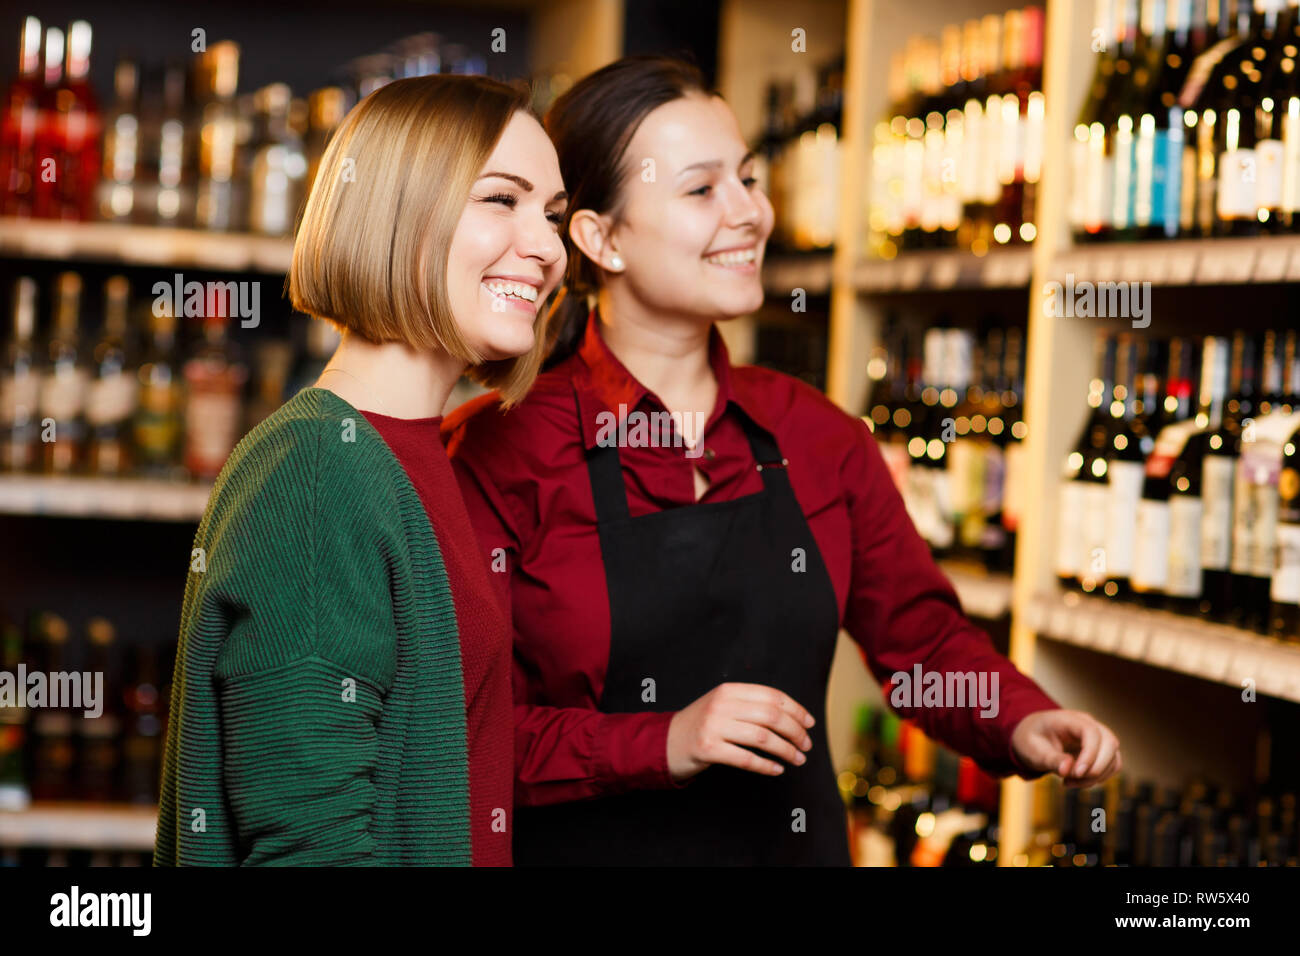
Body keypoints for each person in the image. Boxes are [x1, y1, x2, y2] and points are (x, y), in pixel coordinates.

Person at [443, 56, 1121, 866]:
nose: (751, 214)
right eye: (702, 190)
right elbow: (459, 735)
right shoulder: (499, 448)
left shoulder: (817, 434)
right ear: (601, 237)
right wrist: (663, 740)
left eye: (751, 179)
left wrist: (1019, 719)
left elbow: (920, 640)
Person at [154, 74, 567, 866]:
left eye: (550, 214)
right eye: (500, 200)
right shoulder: (319, 472)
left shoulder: (416, 451)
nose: (547, 246)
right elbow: (313, 851)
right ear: (397, 211)